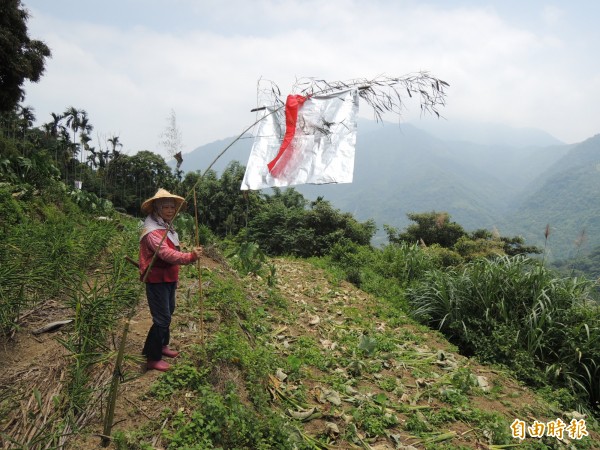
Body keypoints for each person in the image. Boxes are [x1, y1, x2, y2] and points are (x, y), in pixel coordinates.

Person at [139, 188, 202, 372]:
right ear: (157, 209)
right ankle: (152, 357)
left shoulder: (167, 227)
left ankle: (162, 345)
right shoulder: (152, 231)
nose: (170, 210)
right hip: (157, 279)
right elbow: (165, 254)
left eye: (172, 207)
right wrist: (189, 257)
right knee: (162, 318)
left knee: (169, 311)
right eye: (165, 206)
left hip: (168, 278)